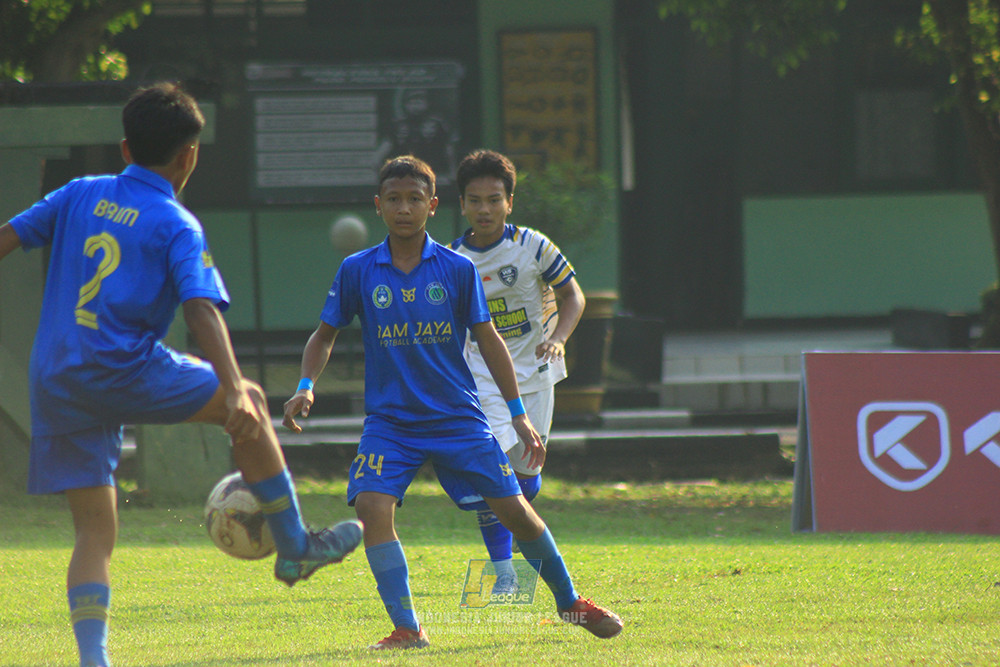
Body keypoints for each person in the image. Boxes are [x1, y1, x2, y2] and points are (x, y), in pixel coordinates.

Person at [0, 82, 362, 667]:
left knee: (94, 531)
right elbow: (199, 308)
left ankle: (94, 660)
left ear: (124, 148)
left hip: (56, 376)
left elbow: (8, 239)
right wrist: (238, 385)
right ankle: (295, 545)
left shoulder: (78, 193)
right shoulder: (176, 223)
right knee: (241, 407)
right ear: (190, 155)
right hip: (122, 367)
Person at [282, 155, 622, 650]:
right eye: (394, 199)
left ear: (433, 206)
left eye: (414, 199)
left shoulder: (458, 269)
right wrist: (307, 383)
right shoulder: (357, 270)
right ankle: (407, 627)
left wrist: (518, 414)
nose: (404, 208)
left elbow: (489, 342)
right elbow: (325, 333)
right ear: (379, 206)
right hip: (391, 423)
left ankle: (570, 602)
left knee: (516, 510)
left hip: (458, 417)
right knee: (373, 507)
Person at [434, 149, 586, 597]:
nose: (485, 209)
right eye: (475, 200)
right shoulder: (450, 260)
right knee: (492, 469)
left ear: (509, 202)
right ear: (461, 204)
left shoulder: (535, 247)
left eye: (494, 200)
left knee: (524, 474)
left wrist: (558, 338)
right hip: (480, 378)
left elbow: (573, 297)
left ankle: (520, 518)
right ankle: (503, 574)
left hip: (537, 373)